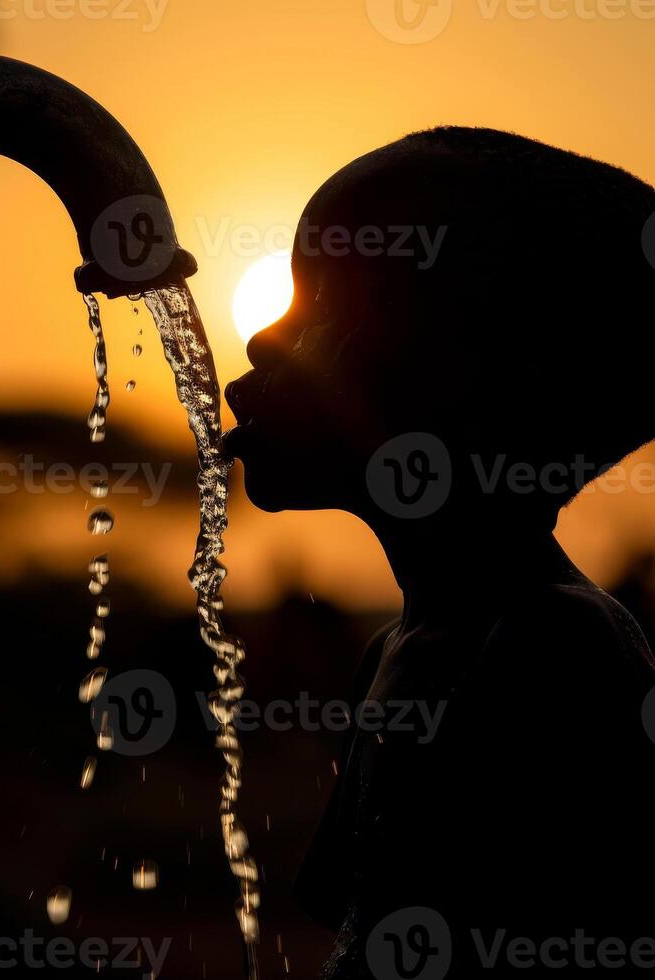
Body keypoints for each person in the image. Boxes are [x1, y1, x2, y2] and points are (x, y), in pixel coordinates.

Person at [224, 127, 655, 977]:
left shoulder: (552, 648)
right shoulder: (398, 647)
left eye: (328, 302)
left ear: (475, 379)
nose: (262, 341)